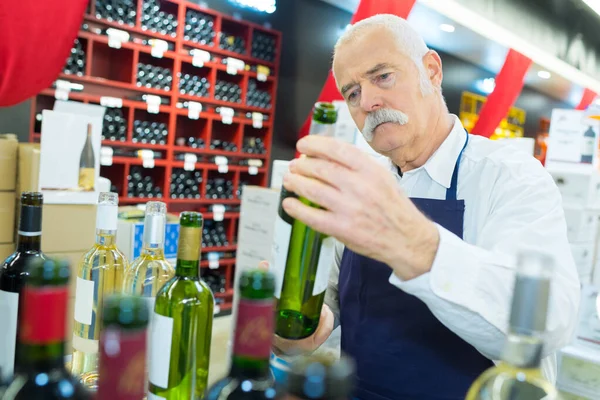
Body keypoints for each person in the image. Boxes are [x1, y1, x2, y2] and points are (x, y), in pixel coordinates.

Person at [270, 14, 580, 400]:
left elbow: (545, 325)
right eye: (352, 92)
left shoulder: (510, 176)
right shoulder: (363, 183)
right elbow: (334, 294)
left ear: (431, 71)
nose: (367, 101)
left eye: (382, 76)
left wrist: (413, 244)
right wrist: (311, 324)